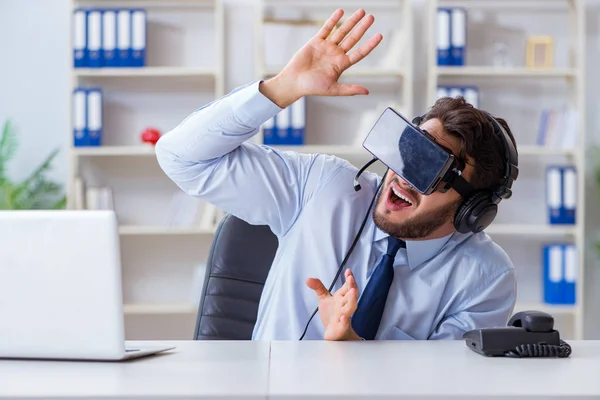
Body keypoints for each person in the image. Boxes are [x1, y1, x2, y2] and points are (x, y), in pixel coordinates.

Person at [155, 8, 518, 341]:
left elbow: (449, 386)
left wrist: (353, 350)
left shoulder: (485, 277)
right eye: (411, 151)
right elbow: (180, 157)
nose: (404, 177)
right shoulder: (322, 186)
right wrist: (282, 88)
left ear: (472, 209)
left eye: (431, 169)